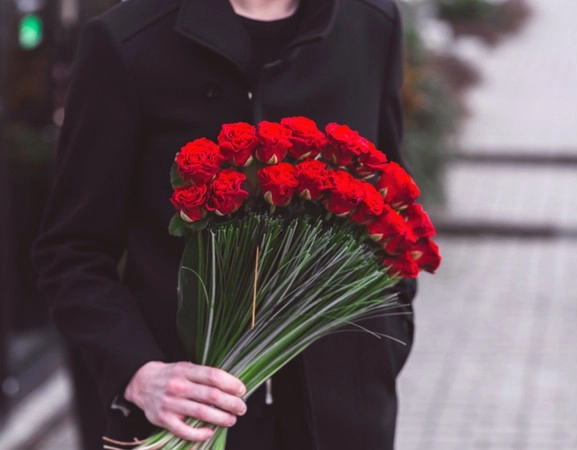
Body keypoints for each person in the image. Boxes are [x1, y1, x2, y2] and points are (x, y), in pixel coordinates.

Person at [32, 0, 417, 448]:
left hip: (344, 418)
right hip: (189, 419)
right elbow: (71, 251)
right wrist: (139, 371)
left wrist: (384, 346)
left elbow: (392, 207)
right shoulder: (127, 39)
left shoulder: (371, 23)